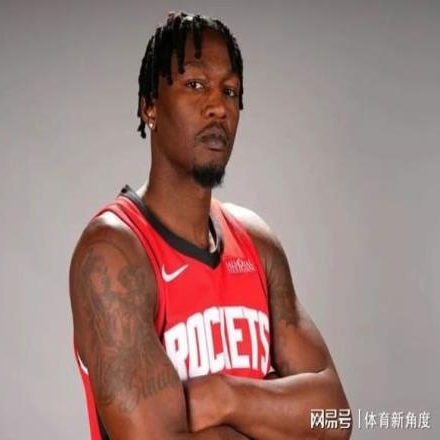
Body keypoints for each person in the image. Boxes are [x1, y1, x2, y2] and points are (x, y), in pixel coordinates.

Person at [69, 11, 351, 440]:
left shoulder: (257, 244)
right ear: (150, 106)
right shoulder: (113, 254)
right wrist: (277, 416)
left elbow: (335, 419)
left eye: (230, 91)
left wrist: (224, 396)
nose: (218, 106)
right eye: (196, 85)